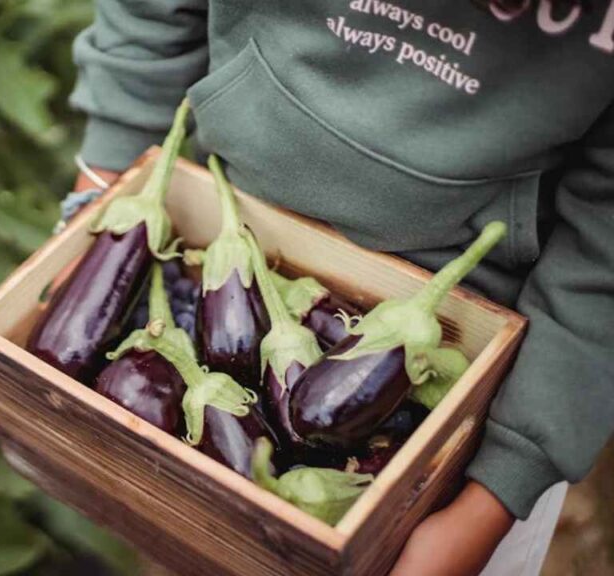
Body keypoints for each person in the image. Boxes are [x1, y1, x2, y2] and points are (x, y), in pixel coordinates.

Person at [66, 0, 614, 574]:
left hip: (497, 395)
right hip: (217, 272)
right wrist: (100, 198)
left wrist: (492, 498)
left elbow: (600, 270)